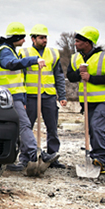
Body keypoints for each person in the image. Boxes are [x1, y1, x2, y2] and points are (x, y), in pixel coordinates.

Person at [0, 22, 59, 172]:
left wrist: (22, 98)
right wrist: (34, 60)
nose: (24, 41)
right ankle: (34, 154)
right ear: (16, 37)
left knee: (16, 127)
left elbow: (18, 77)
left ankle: (13, 159)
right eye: (22, 37)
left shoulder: (9, 50)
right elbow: (11, 64)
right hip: (8, 95)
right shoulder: (5, 51)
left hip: (13, 96)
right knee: (24, 125)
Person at [66, 26, 105, 174]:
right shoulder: (75, 58)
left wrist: (91, 78)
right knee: (91, 130)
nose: (75, 44)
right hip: (88, 102)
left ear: (88, 42)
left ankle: (100, 160)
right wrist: (79, 73)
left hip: (104, 100)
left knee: (96, 127)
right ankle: (94, 158)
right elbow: (71, 77)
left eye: (78, 41)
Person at [18, 24, 68, 169]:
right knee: (27, 128)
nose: (44, 40)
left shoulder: (53, 53)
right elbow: (21, 76)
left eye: (45, 37)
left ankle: (53, 156)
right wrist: (22, 97)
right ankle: (25, 158)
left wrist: (62, 95)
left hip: (49, 96)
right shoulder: (25, 53)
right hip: (31, 96)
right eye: (41, 37)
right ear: (33, 39)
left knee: (52, 128)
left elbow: (59, 76)